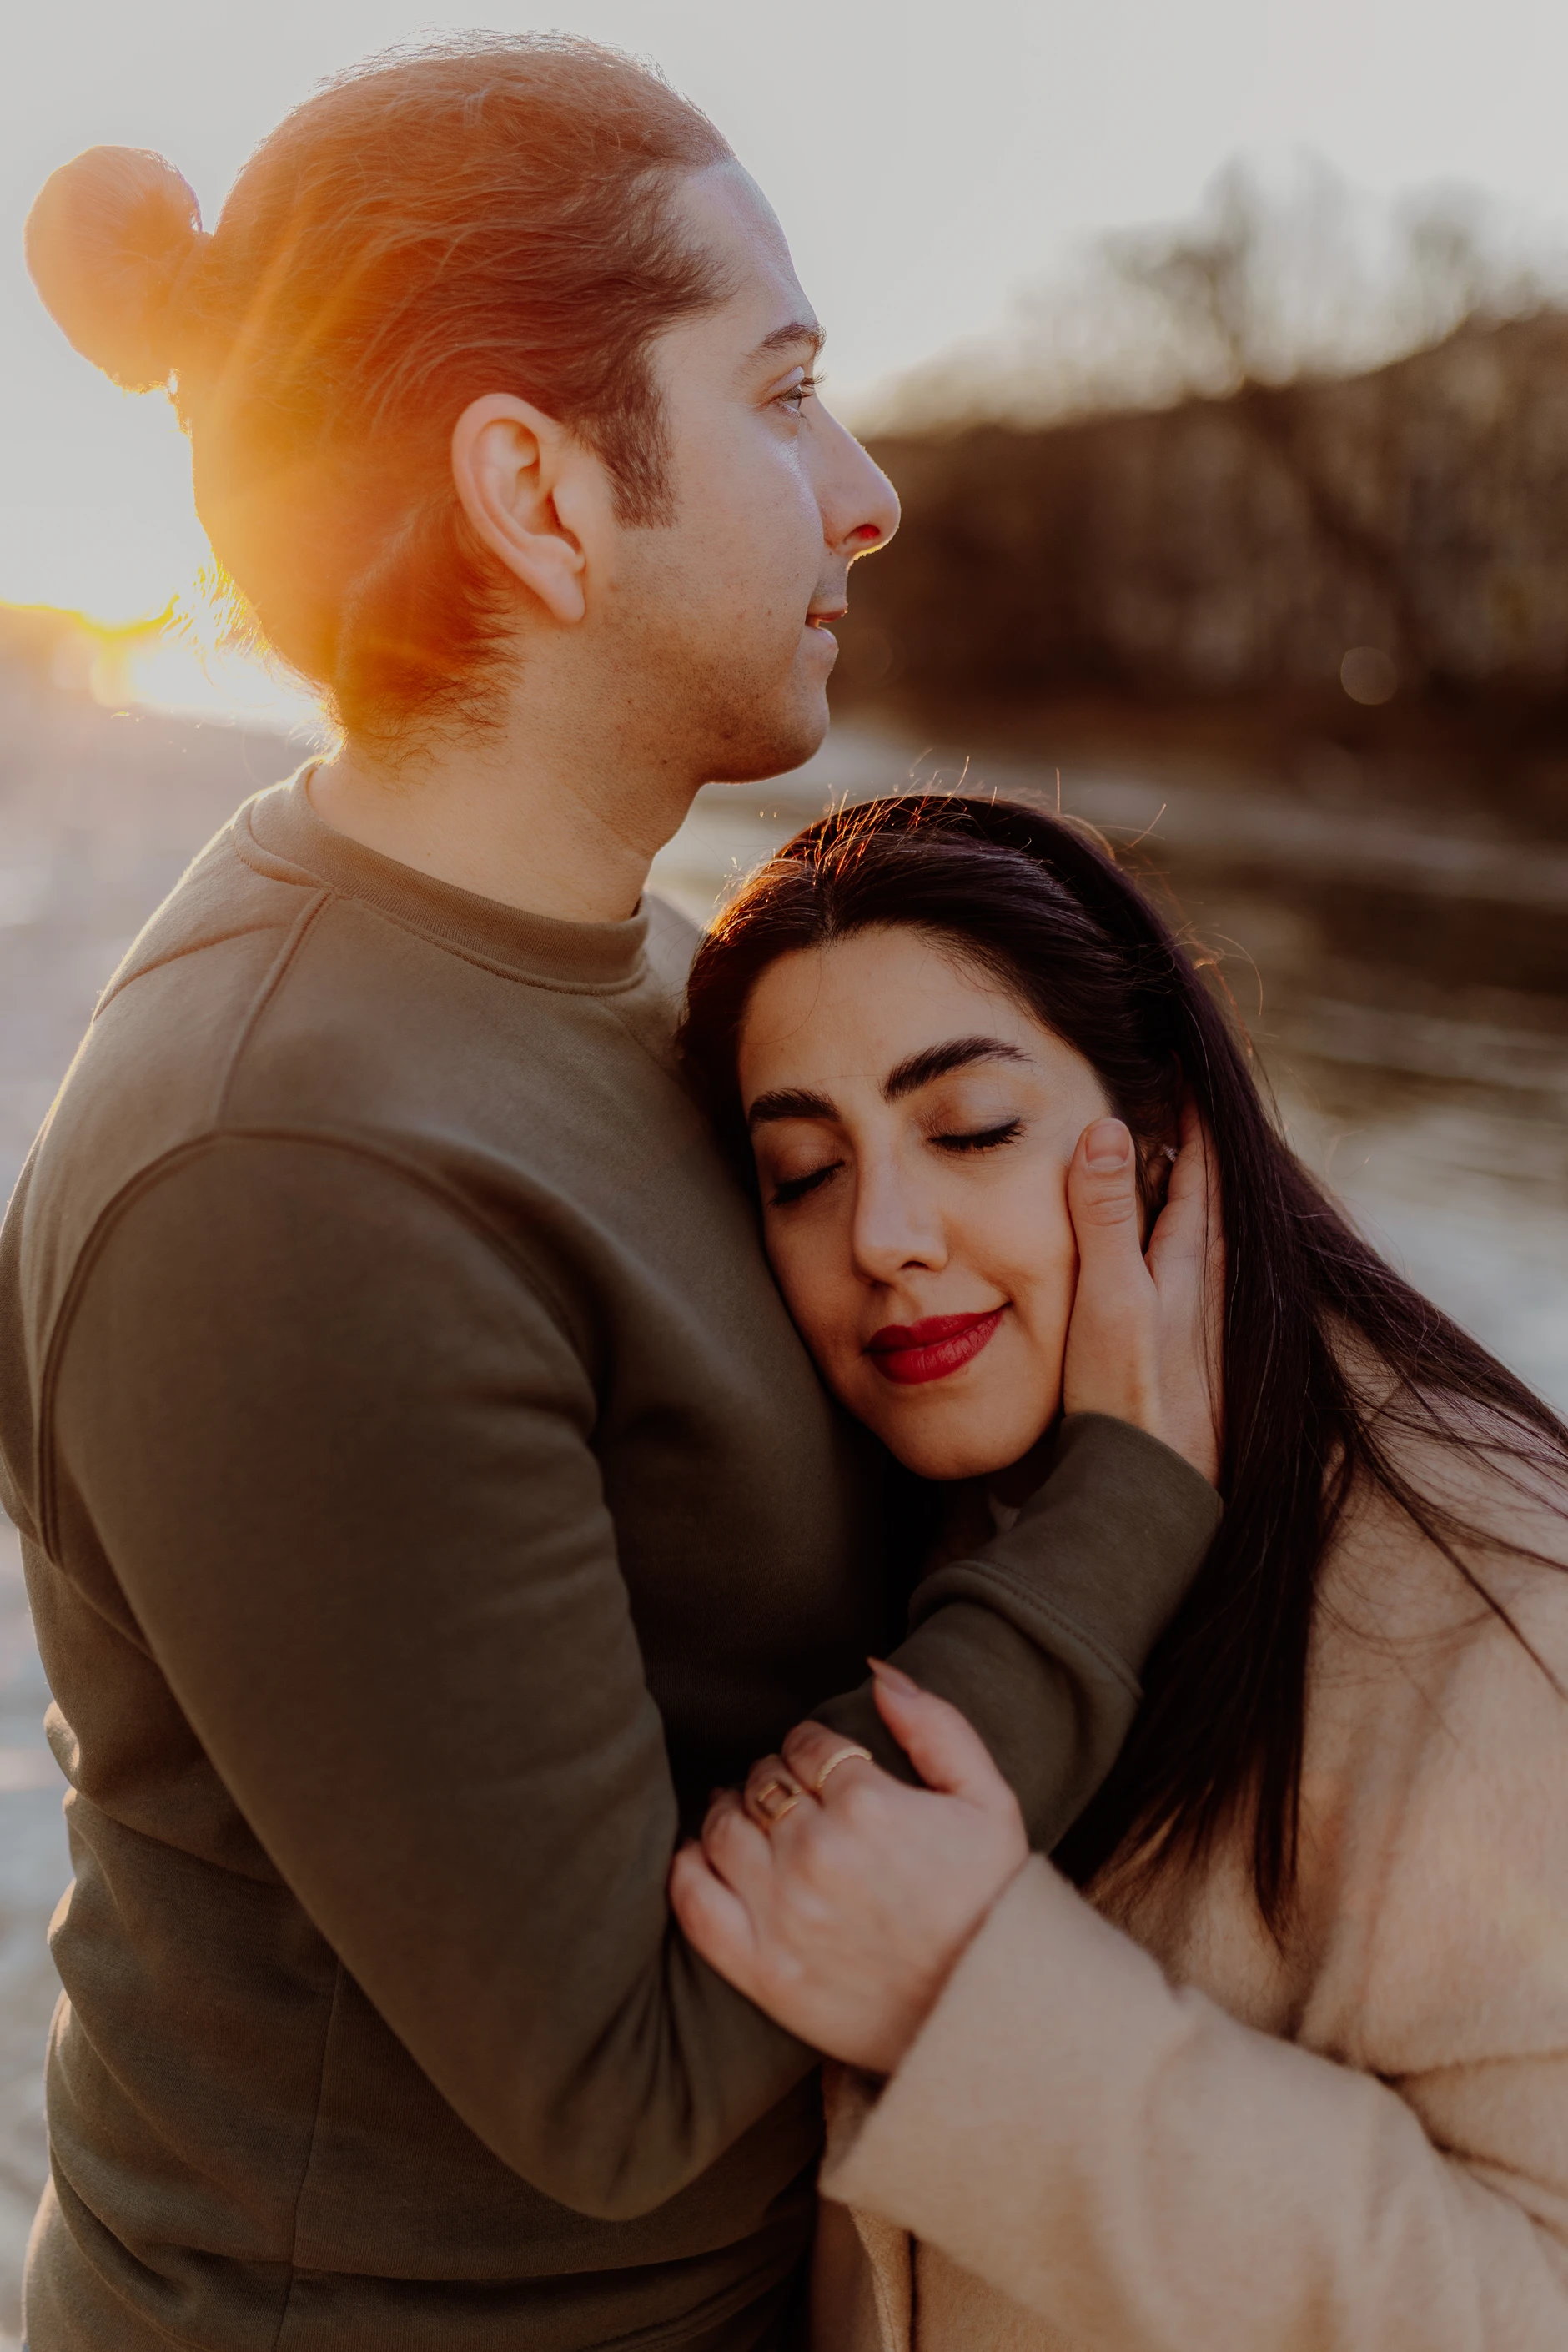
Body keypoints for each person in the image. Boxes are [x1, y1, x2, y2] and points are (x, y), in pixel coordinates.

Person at [3, 41, 1225, 2352]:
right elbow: (618, 2081)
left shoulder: (669, 983)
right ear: (539, 497)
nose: (864, 495)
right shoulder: (294, 1170)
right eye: (785, 396)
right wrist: (1122, 1517)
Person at [671, 792, 1568, 2350]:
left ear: (1159, 1136)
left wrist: (973, 2010)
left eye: (970, 1132)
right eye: (805, 1170)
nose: (884, 1230)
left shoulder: (1495, 1609)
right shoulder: (885, 1515)